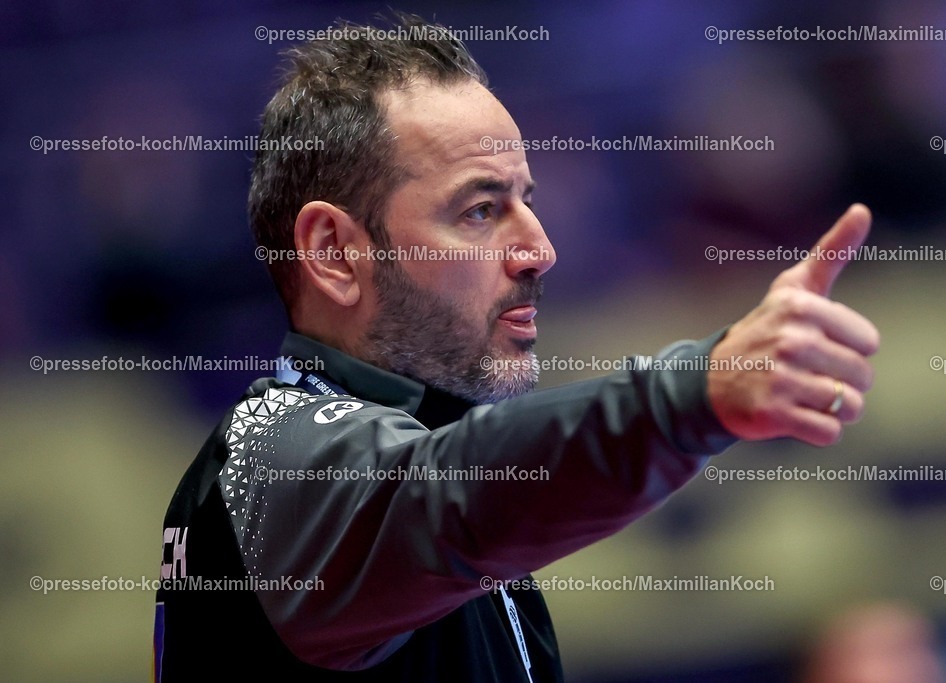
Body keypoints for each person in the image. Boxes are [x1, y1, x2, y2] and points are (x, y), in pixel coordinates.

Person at [154, 14, 879, 682]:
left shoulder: (435, 489)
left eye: (527, 201)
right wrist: (696, 391)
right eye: (480, 209)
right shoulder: (271, 456)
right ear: (335, 253)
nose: (540, 248)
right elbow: (448, 492)